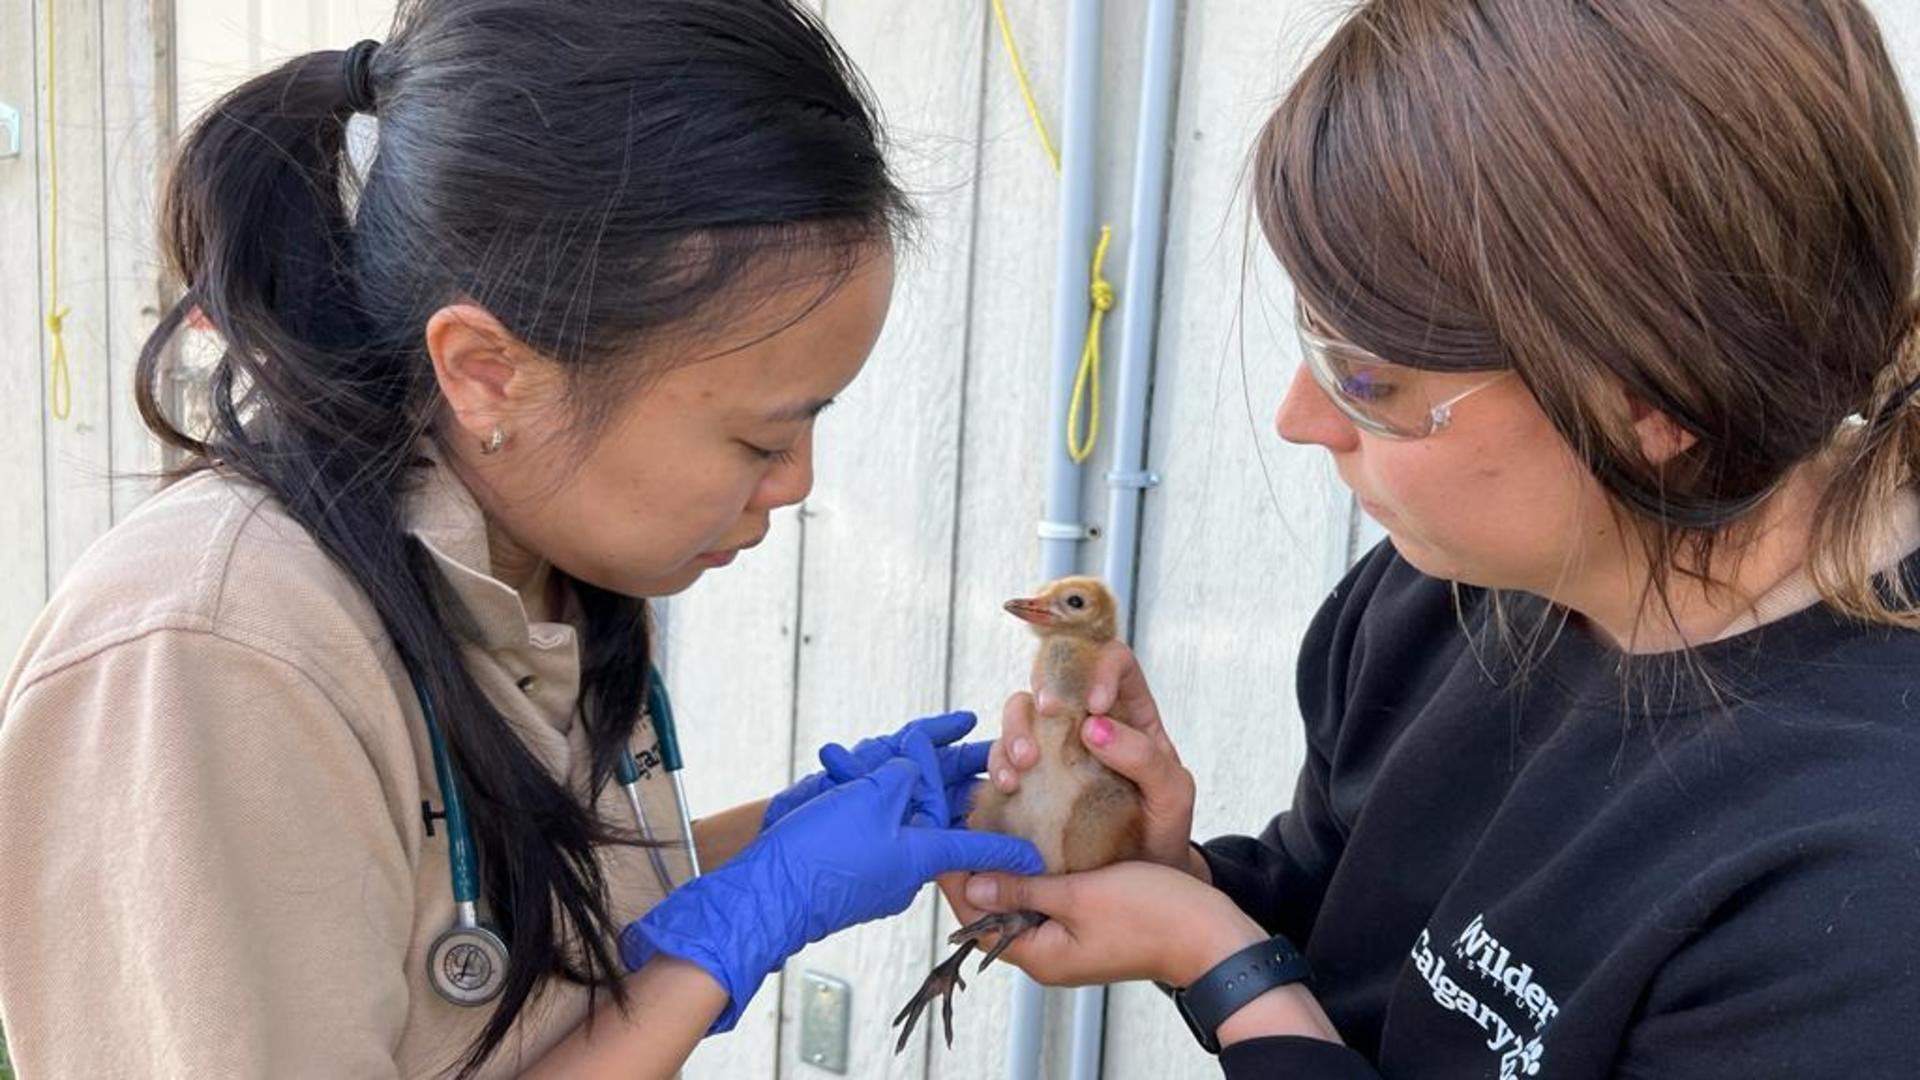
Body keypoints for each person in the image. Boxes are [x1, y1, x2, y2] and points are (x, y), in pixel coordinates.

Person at [0, 1, 1044, 1077]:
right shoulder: (215, 661)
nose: (796, 484)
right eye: (760, 436)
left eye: (814, 422)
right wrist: (732, 935)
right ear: (489, 371)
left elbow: (521, 952)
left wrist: (770, 851)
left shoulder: (533, 563)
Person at [962, 0, 1920, 1076]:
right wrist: (1175, 877)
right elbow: (1347, 917)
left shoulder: (1866, 894)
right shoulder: (1433, 601)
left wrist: (1219, 960)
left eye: (1368, 379)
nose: (1300, 419)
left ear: (1657, 394)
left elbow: (1273, 984)